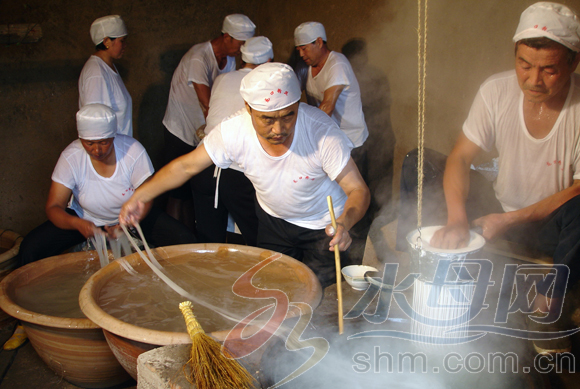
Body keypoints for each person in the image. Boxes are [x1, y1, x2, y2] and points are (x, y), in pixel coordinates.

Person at [398, 2, 580, 355]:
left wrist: (509, 219)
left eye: (549, 70)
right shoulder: (496, 91)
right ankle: (421, 266)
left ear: (573, 63)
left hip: (552, 226)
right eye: (524, 65)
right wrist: (456, 219)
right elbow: (461, 156)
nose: (533, 80)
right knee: (419, 161)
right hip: (499, 208)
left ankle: (549, 304)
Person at [120, 63, 370, 288]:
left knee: (319, 293)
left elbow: (358, 190)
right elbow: (185, 167)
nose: (279, 129)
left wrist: (344, 223)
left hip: (324, 226)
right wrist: (140, 196)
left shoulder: (322, 133)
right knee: (277, 288)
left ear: (298, 105)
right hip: (274, 221)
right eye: (267, 120)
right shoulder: (233, 131)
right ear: (248, 108)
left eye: (288, 116)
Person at [17, 104, 197, 267]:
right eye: (89, 143)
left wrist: (130, 223)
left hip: (131, 218)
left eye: (104, 142)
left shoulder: (132, 151)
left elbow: (147, 195)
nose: (97, 150)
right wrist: (78, 224)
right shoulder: (71, 157)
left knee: (184, 239)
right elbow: (53, 207)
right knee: (30, 248)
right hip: (87, 220)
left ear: (113, 136)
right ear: (81, 139)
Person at [161, 14, 255, 227]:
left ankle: (190, 236)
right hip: (181, 129)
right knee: (179, 191)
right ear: (227, 37)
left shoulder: (230, 60)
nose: (240, 50)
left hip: (202, 132)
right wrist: (219, 137)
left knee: (194, 193)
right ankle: (175, 241)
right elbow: (207, 105)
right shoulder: (199, 58)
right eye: (239, 44)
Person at [294, 21, 371, 262]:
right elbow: (308, 106)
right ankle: (336, 246)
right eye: (298, 49)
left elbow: (325, 107)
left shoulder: (337, 64)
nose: (301, 54)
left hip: (352, 142)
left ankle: (354, 258)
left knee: (354, 198)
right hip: (332, 143)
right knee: (336, 200)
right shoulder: (310, 68)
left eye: (305, 48)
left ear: (319, 42)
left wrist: (299, 136)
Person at [194, 36, 274, 245]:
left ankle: (210, 276)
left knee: (209, 242)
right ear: (268, 63)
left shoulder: (222, 79)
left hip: (203, 167)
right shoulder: (266, 85)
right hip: (237, 173)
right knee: (260, 240)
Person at [79, 15, 133, 137]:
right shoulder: (96, 73)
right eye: (122, 41)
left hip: (118, 147)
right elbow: (96, 124)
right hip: (109, 150)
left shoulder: (108, 67)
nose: (125, 46)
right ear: (107, 41)